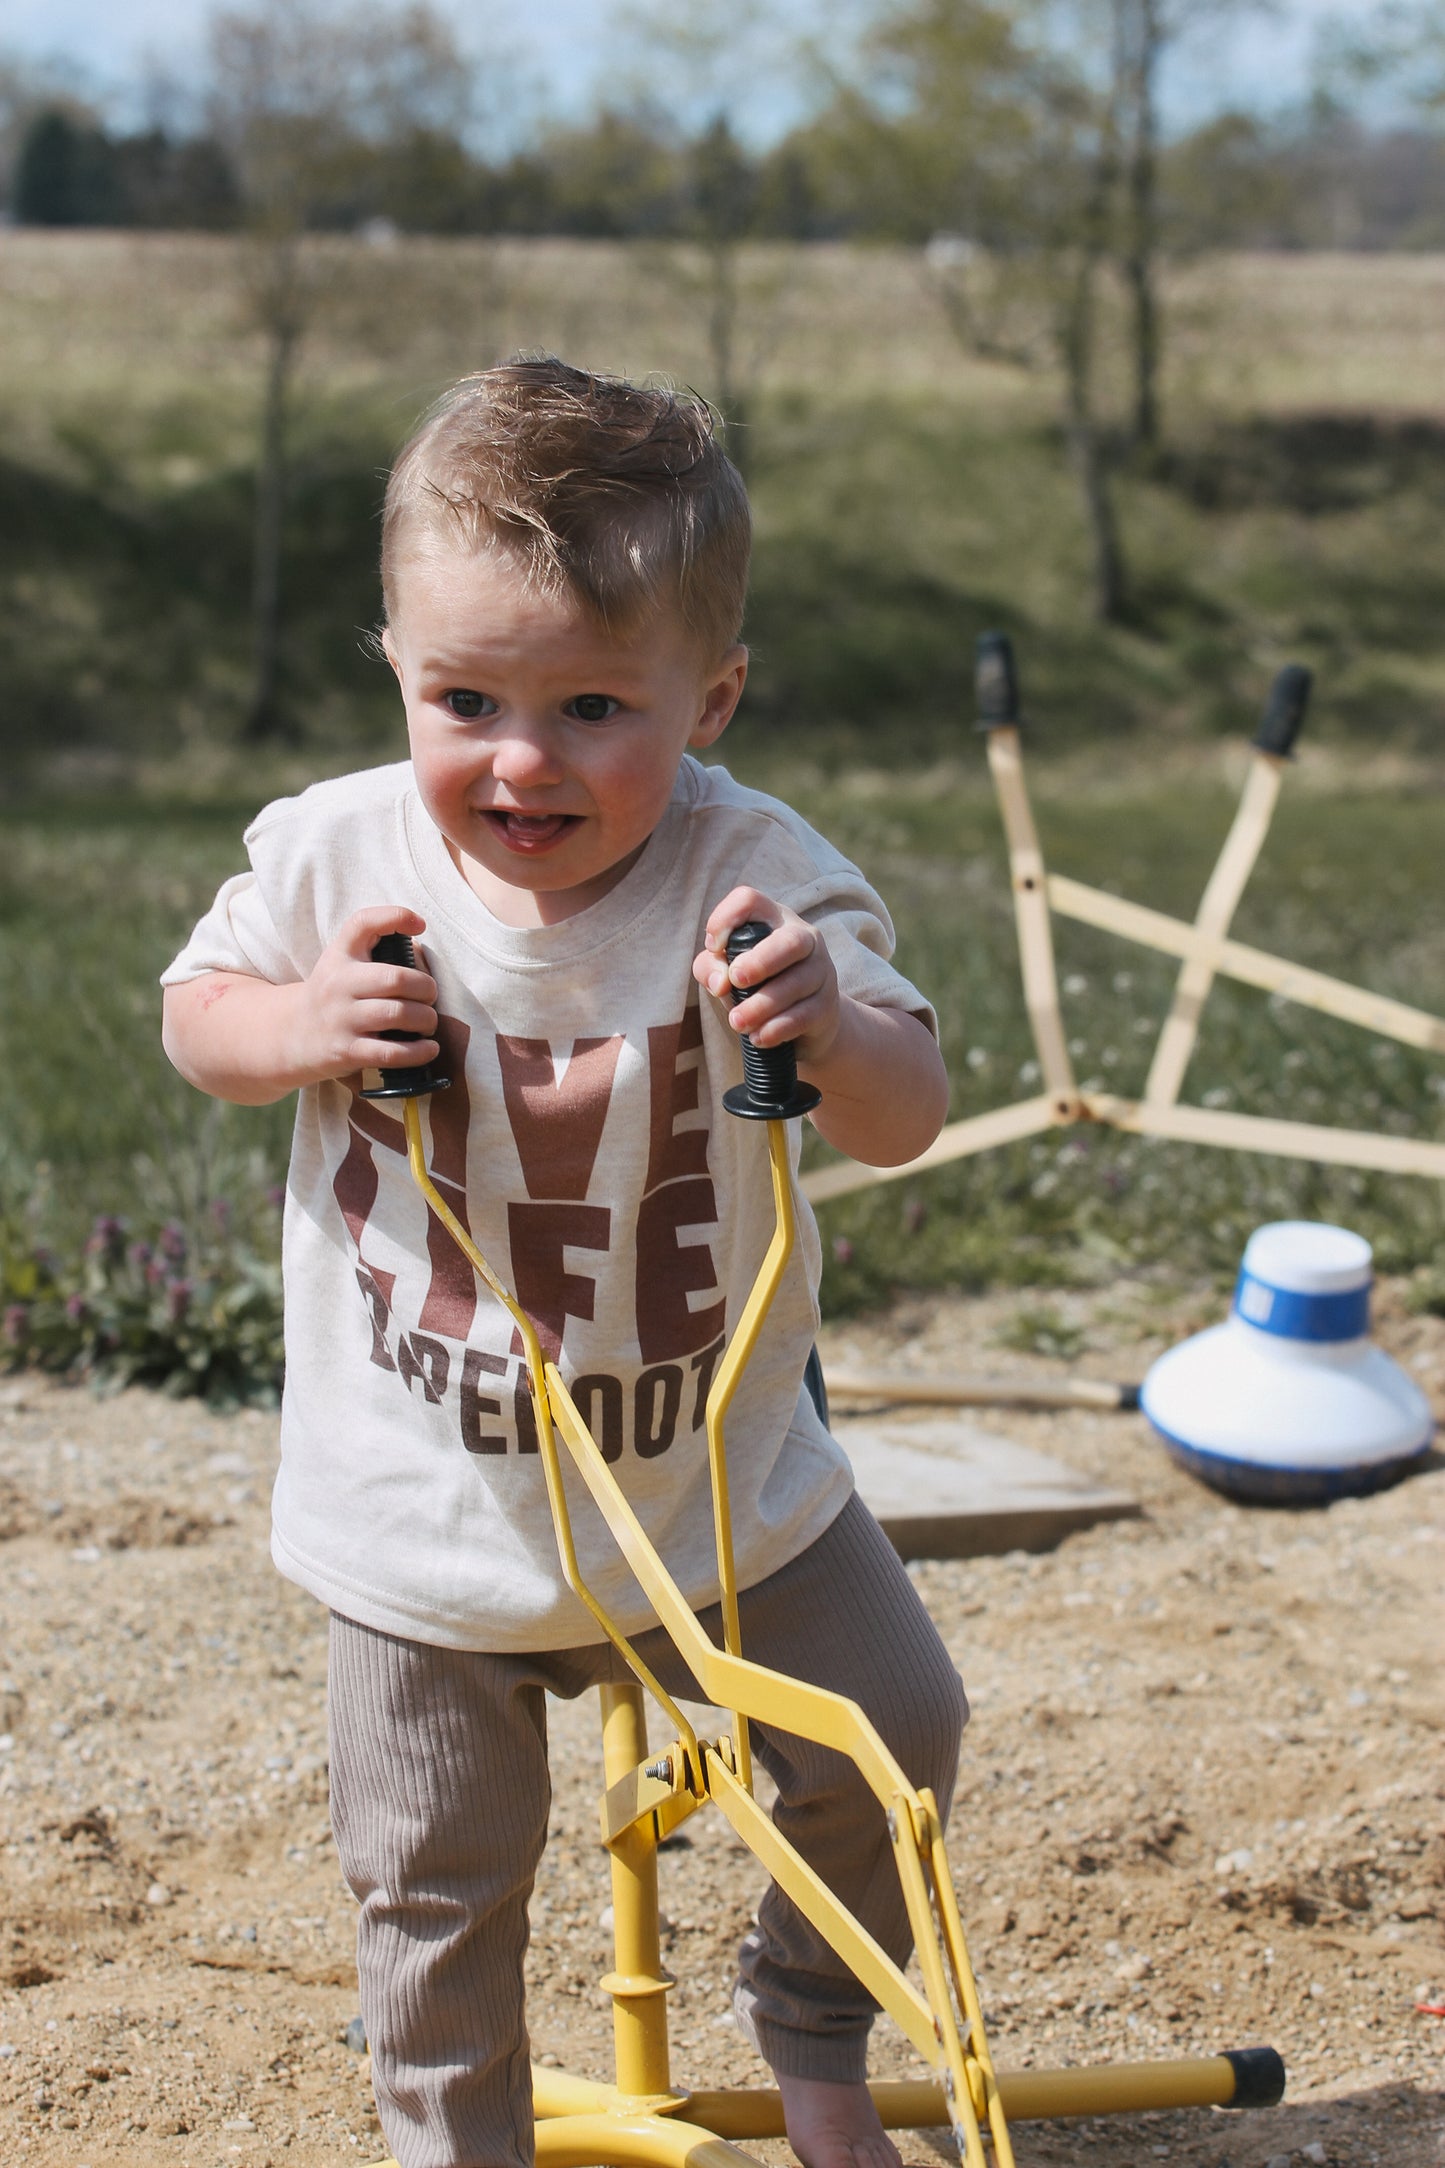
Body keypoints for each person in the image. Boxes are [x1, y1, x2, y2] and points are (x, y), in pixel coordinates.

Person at [161, 357, 967, 2168]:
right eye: (467, 700)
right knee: (432, 1883)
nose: (520, 762)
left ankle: (814, 2033)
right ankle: (461, 2144)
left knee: (895, 1737)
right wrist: (295, 1020)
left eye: (594, 705)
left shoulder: (754, 872)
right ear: (396, 670)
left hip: (716, 1487)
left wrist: (829, 1024)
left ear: (713, 697)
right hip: (425, 1498)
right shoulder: (335, 852)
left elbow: (903, 1112)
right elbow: (196, 1025)